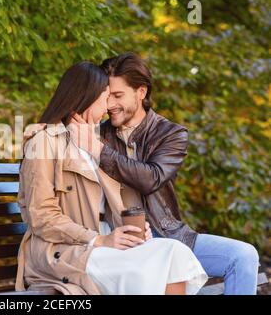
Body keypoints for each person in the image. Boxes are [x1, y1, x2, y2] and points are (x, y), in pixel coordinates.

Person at [70, 53, 260, 295]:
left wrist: (99, 150)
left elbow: (152, 178)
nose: (109, 105)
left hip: (168, 235)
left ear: (141, 92)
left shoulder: (170, 134)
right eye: (107, 96)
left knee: (243, 256)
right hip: (121, 240)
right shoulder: (96, 132)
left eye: (118, 96)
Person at [15, 61, 208, 295]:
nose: (108, 107)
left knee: (175, 253)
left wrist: (135, 228)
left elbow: (111, 202)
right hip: (63, 249)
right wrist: (97, 240)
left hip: (102, 240)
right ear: (87, 97)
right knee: (142, 271)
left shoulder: (96, 142)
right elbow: (41, 216)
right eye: (106, 97)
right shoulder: (44, 141)